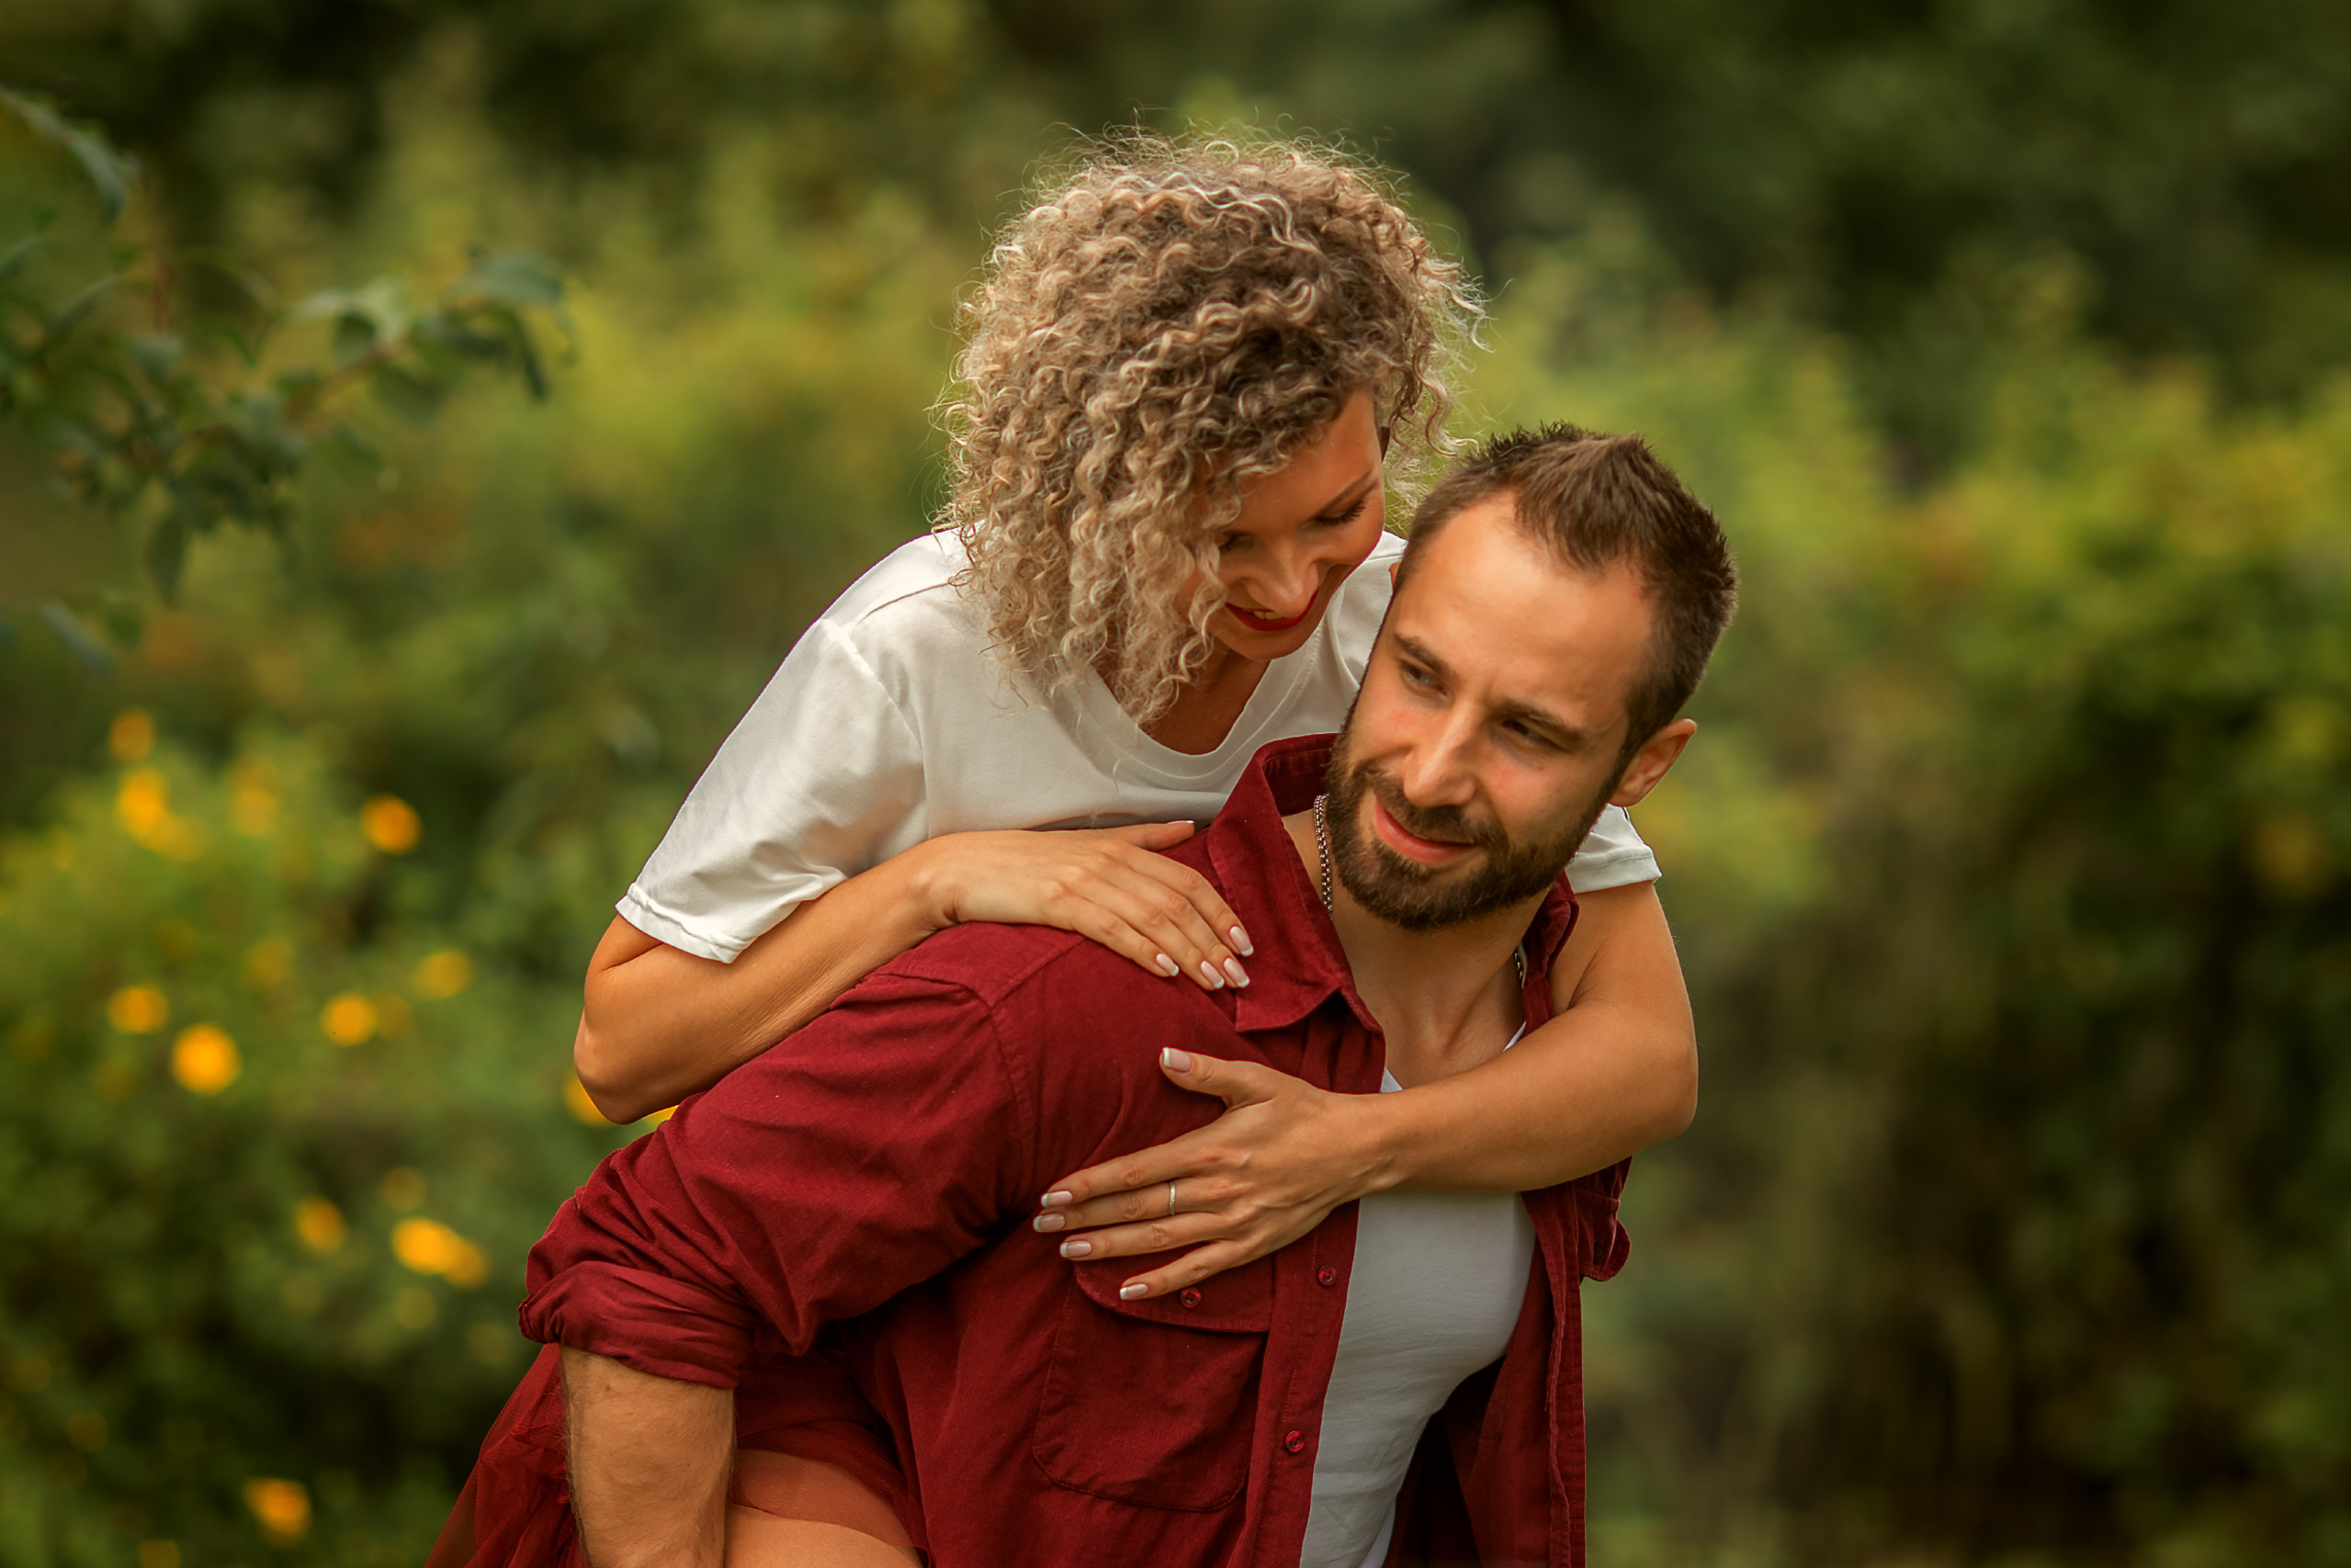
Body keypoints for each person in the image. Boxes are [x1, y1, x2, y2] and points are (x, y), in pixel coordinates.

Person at [432, 137, 1699, 1566]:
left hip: (1067, 1332)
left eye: (1338, 513)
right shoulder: (921, 654)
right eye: (1224, 540)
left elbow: (1647, 1055)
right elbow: (620, 1052)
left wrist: (1348, 1148)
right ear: (1108, 494)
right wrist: (932, 885)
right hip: (823, 1297)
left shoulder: (1413, 637)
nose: (1293, 586)